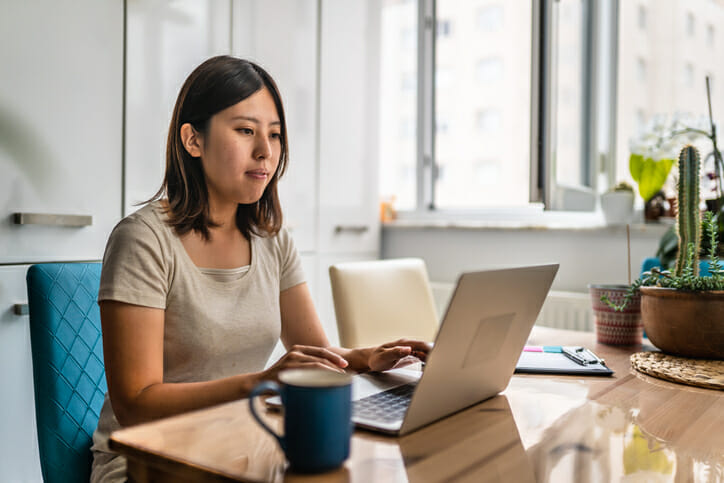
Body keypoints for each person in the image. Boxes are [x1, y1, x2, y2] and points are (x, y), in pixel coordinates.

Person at [90, 55, 430, 482]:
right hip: (150, 462)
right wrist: (261, 383)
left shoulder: (272, 239)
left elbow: (314, 355)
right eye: (245, 130)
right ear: (193, 140)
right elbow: (135, 405)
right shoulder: (143, 239)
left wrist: (367, 358)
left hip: (240, 446)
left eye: (275, 135)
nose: (265, 151)